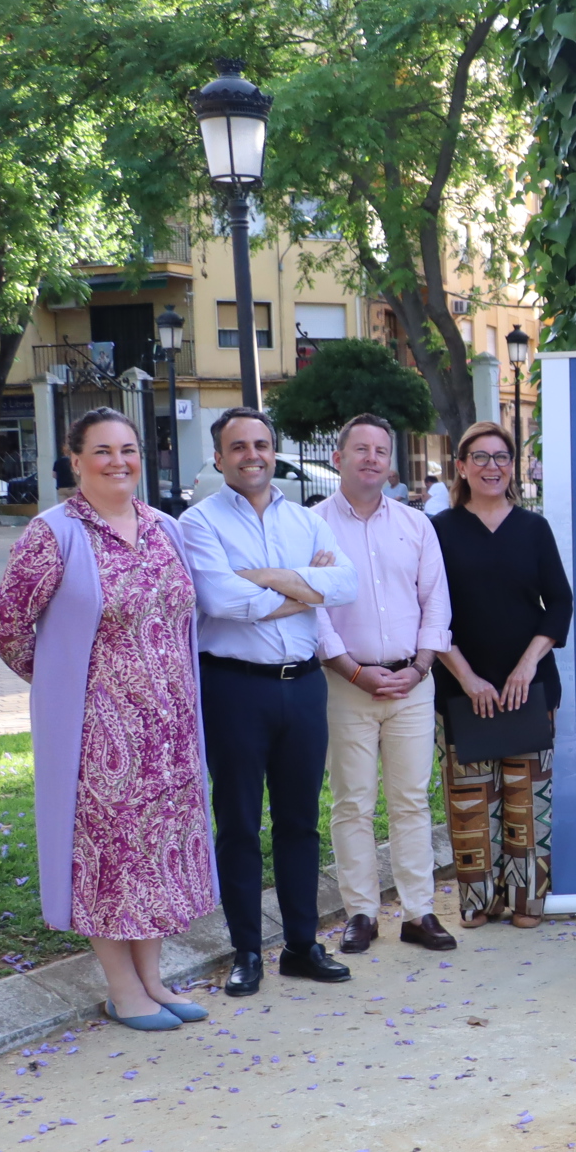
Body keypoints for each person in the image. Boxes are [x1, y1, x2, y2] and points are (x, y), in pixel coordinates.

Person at [0, 409, 217, 1032]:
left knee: (156, 854)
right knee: (110, 860)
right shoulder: (53, 533)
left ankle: (152, 980)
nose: (119, 461)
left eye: (129, 449)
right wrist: (65, 688)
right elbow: (6, 625)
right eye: (104, 450)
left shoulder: (165, 528)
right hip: (100, 737)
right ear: (76, 458)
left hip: (169, 735)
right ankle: (121, 989)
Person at [180, 408, 360, 997]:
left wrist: (263, 577)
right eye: (238, 446)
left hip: (304, 686)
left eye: (261, 444)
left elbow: (346, 587)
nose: (251, 454)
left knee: (300, 822)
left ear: (274, 450)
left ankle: (303, 945)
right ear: (219, 457)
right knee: (237, 823)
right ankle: (246, 951)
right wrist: (304, 586)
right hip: (234, 689)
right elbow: (222, 600)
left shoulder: (305, 519)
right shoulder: (198, 522)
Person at [314, 414, 454, 954]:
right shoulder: (314, 526)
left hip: (412, 683)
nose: (371, 458)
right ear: (338, 458)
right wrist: (352, 668)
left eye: (380, 450)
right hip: (347, 683)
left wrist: (419, 668)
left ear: (389, 462)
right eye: (360, 449)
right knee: (352, 802)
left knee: (411, 800)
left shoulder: (417, 526)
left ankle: (419, 912)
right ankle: (362, 913)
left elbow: (434, 601)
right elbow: (313, 607)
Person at [433, 422, 572, 928]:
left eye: (503, 457)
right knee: (470, 801)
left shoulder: (533, 528)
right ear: (462, 466)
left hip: (529, 686)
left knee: (526, 799)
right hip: (461, 686)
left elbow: (559, 602)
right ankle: (478, 902)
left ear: (512, 467)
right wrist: (467, 677)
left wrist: (527, 665)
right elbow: (428, 610)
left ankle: (526, 901)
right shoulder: (439, 530)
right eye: (481, 457)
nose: (493, 466)